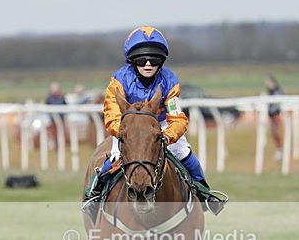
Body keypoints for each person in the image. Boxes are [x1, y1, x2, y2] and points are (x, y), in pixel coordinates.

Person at [83, 25, 226, 216]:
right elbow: (111, 115)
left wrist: (166, 136)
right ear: (133, 61)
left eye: (155, 59)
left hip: (159, 126)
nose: (148, 63)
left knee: (184, 151)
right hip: (128, 129)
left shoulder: (169, 80)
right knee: (115, 157)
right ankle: (94, 194)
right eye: (142, 59)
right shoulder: (119, 80)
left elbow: (177, 118)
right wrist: (128, 133)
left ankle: (204, 193)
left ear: (162, 61)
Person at [264, 75, 283, 160]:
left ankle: (280, 149)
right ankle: (278, 149)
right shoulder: (270, 92)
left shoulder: (277, 91)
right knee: (274, 133)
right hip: (272, 116)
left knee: (277, 133)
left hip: (277, 115)